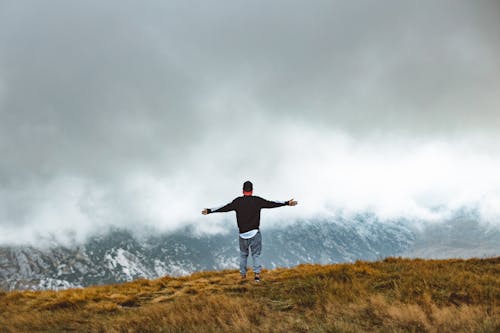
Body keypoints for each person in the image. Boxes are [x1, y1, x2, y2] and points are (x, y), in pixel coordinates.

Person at [202, 180, 297, 282]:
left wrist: (210, 210)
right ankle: (256, 277)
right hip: (255, 233)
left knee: (243, 255)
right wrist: (287, 203)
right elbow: (272, 203)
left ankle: (243, 276)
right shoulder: (257, 201)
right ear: (252, 190)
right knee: (255, 255)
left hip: (242, 235)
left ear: (243, 190)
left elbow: (224, 207)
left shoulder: (237, 202)